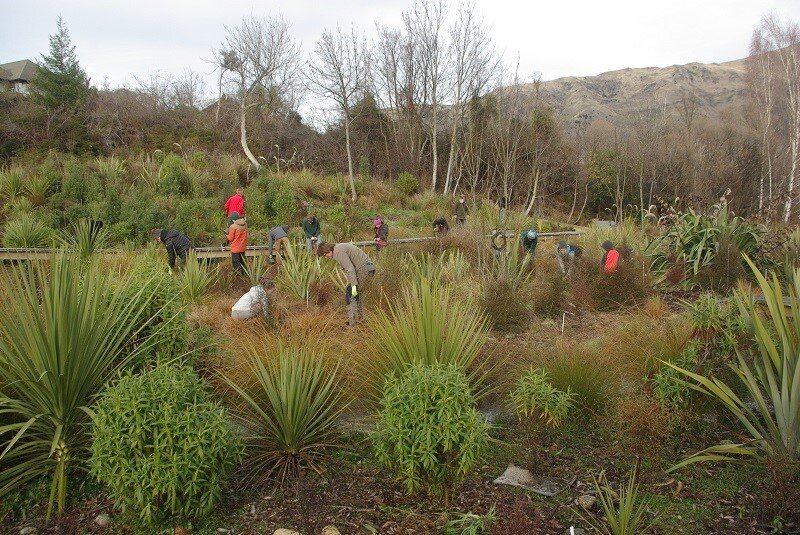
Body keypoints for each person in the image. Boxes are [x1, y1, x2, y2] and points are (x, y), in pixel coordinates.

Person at [318, 242, 375, 326]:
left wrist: (354, 285)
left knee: (350, 293)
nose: (326, 258)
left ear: (328, 251)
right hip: (369, 268)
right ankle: (359, 319)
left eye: (325, 255)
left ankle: (353, 323)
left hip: (364, 269)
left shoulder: (338, 252)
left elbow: (350, 269)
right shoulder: (338, 248)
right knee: (356, 295)